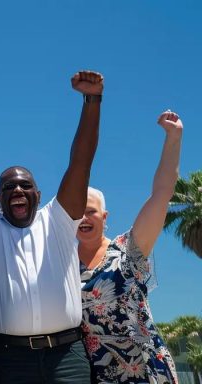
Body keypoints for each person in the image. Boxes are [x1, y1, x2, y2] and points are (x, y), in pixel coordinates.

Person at [0, 70, 104, 383]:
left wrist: (92, 100)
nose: (17, 191)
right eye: (8, 187)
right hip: (7, 359)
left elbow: (80, 162)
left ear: (39, 195)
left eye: (25, 185)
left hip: (67, 359)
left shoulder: (58, 219)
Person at [77, 111, 183, 384]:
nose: (83, 218)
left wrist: (173, 137)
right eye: (77, 212)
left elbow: (162, 193)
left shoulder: (129, 250)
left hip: (147, 370)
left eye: (90, 211)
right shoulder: (61, 263)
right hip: (95, 373)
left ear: (104, 216)